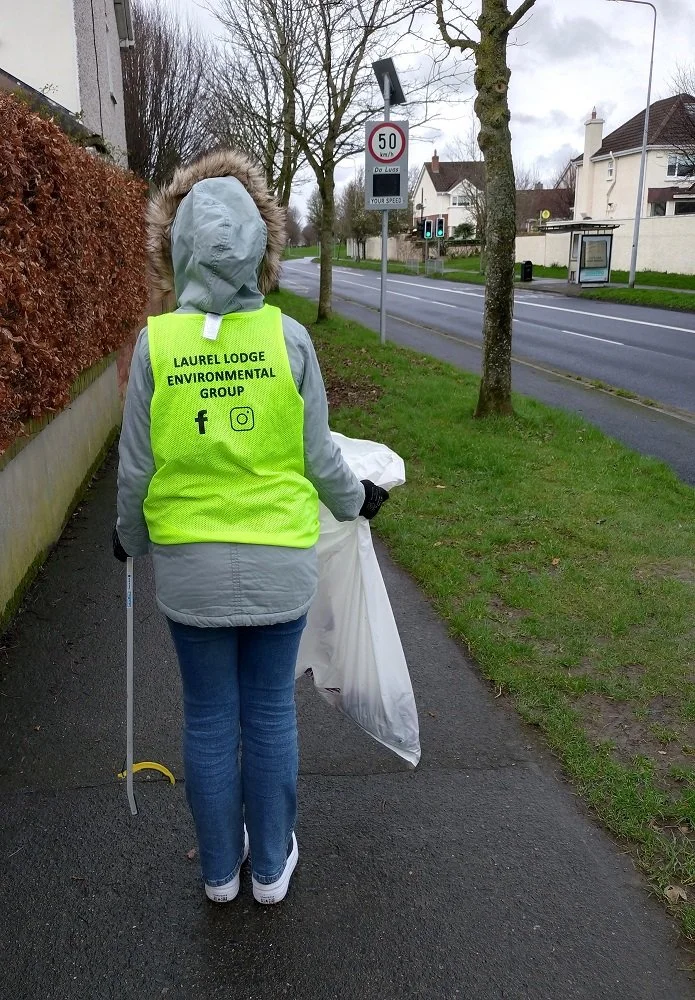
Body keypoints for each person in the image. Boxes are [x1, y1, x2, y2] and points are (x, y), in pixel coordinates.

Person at [114, 150, 388, 905]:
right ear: (263, 246)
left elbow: (135, 465)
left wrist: (128, 536)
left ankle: (216, 874)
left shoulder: (155, 346)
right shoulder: (288, 340)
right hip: (278, 559)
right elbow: (317, 454)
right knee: (268, 714)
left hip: (190, 567)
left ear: (177, 247)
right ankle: (269, 867)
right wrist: (353, 499)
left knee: (208, 718)